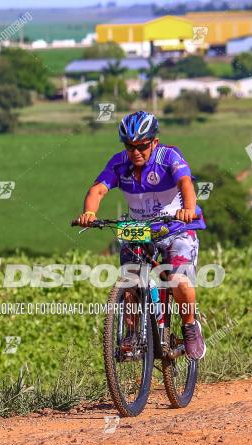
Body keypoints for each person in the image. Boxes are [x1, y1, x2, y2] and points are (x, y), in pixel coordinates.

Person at [74, 110, 207, 359]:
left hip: (176, 226)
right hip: (139, 229)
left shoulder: (169, 156)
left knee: (179, 280)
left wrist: (188, 210)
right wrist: (89, 213)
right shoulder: (118, 163)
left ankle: (190, 325)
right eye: (130, 146)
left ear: (154, 142)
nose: (135, 152)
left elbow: (185, 183)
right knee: (130, 281)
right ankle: (133, 334)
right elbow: (98, 190)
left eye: (142, 146)